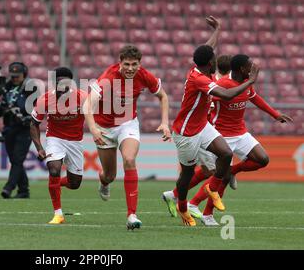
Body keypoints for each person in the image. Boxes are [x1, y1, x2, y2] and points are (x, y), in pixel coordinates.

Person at [168, 16, 260, 227]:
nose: (216, 59)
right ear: (210, 63)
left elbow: (208, 47)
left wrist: (218, 29)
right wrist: (251, 82)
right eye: (214, 59)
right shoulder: (199, 79)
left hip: (202, 126)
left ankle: (212, 187)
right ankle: (182, 205)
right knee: (187, 174)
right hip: (186, 133)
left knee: (226, 154)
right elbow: (226, 95)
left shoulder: (202, 67)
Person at [183, 54, 293, 226]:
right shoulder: (223, 85)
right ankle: (205, 212)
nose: (252, 69)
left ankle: (232, 171)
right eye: (250, 67)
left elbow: (255, 98)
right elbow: (207, 102)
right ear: (242, 69)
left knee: (262, 159)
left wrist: (275, 114)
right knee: (217, 176)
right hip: (221, 135)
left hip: (240, 133)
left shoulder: (246, 84)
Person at [83, 44, 171, 230]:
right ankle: (103, 181)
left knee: (129, 159)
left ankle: (132, 215)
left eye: (134, 64)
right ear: (120, 63)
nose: (130, 68)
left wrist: (164, 122)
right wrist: (93, 128)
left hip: (127, 123)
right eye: (127, 64)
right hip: (103, 127)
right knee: (110, 175)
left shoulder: (144, 76)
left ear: (140, 64)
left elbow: (163, 97)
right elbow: (87, 104)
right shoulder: (108, 77)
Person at [30, 67, 87, 224]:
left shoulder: (82, 98)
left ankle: (54, 185)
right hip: (55, 138)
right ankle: (58, 214)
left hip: (76, 141)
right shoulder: (45, 99)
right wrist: (39, 148)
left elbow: (95, 117)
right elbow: (34, 124)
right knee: (54, 169)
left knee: (74, 183)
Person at [0, 62, 37, 199]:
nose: (15, 78)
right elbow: (1, 105)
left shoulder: (31, 88)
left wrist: (24, 115)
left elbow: (36, 107)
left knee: (17, 158)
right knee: (15, 159)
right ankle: (24, 190)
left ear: (24, 75)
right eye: (13, 76)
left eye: (18, 76)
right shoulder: (6, 87)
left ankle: (8, 187)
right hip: (9, 126)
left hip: (25, 128)